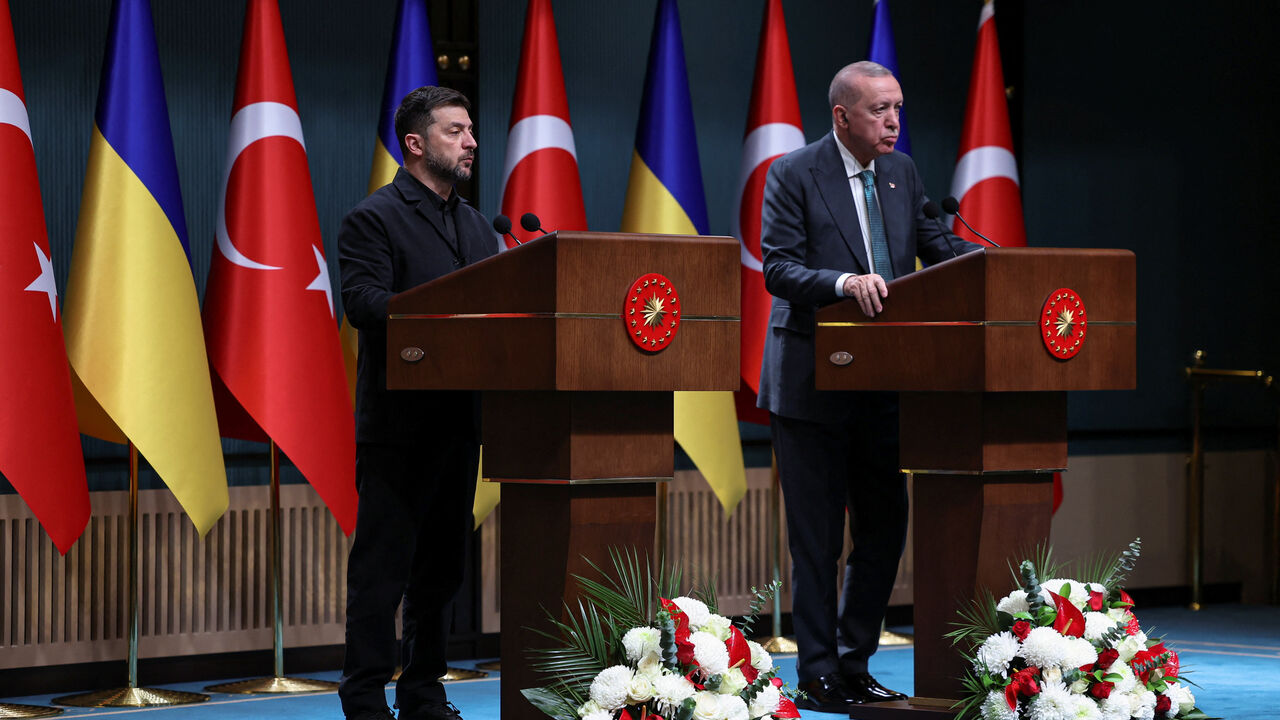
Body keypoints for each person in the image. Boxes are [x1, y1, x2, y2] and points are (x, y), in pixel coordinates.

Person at [757, 61, 980, 712]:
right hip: (811, 382)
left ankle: (854, 664)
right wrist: (841, 284)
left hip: (885, 382)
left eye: (899, 109)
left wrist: (1004, 267)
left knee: (883, 531)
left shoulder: (902, 173)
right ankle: (818, 673)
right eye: (881, 110)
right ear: (842, 117)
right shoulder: (793, 173)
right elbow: (778, 266)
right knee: (819, 543)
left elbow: (938, 248)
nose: (894, 122)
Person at [337, 86, 495, 720]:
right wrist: (445, 317)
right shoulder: (373, 219)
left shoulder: (478, 225)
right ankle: (366, 698)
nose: (471, 141)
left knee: (441, 575)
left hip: (461, 425)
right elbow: (364, 304)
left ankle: (424, 690)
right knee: (382, 574)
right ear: (416, 143)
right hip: (400, 430)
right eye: (456, 130)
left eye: (470, 130)